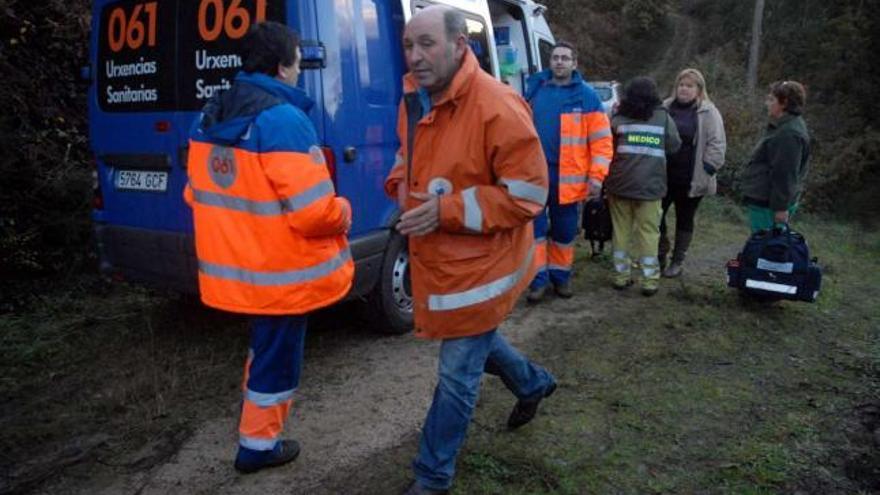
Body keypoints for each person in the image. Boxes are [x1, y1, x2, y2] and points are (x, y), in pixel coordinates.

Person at [384, 6, 556, 494]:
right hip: (440, 262)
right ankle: (533, 383)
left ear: (460, 45)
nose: (415, 56)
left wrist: (446, 210)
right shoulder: (413, 98)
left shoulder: (497, 105)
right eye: (408, 46)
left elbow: (528, 196)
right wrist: (399, 185)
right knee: (477, 342)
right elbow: (408, 157)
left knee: (457, 373)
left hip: (485, 267)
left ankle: (431, 478)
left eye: (427, 45)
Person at [184, 22, 353, 474]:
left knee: (264, 350)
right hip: (282, 273)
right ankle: (257, 447)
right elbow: (314, 213)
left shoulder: (209, 114)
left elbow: (195, 193)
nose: (299, 72)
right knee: (277, 360)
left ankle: (253, 429)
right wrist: (344, 210)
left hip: (236, 268)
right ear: (283, 67)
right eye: (298, 62)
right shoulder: (284, 120)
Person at [523, 41, 613, 303]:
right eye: (555, 58)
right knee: (535, 232)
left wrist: (597, 177)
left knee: (564, 233)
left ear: (574, 64)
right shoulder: (535, 90)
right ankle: (537, 282)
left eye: (565, 58)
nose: (559, 62)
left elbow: (602, 142)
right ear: (550, 62)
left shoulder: (586, 96)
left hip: (568, 180)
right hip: (535, 176)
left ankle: (561, 278)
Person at [604, 77, 681, 296]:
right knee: (649, 233)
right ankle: (649, 281)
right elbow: (674, 145)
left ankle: (621, 277)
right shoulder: (663, 117)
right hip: (650, 187)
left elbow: (606, 146)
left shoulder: (617, 117)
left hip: (619, 184)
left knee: (621, 232)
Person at [659, 68, 727, 278]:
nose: (684, 89)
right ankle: (660, 251)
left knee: (685, 218)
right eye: (681, 85)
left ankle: (677, 260)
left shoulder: (709, 112)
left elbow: (718, 143)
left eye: (689, 86)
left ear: (699, 90)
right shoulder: (664, 107)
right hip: (662, 175)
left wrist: (708, 168)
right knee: (655, 215)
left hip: (691, 177)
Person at [742, 80, 811, 232]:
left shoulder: (789, 134)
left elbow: (785, 173)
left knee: (766, 247)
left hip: (769, 203)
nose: (767, 103)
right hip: (766, 199)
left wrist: (781, 207)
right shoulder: (785, 127)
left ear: (784, 103)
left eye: (772, 99)